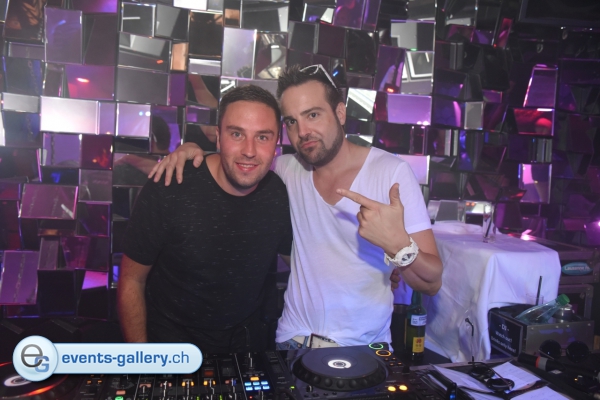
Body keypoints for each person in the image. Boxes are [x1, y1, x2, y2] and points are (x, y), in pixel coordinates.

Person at [149, 65, 443, 349]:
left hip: (363, 346)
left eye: (313, 115)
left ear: (340, 113)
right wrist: (190, 151)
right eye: (291, 121)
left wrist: (398, 246)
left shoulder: (391, 173)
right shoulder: (286, 170)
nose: (303, 131)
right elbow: (241, 157)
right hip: (292, 340)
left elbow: (431, 283)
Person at [117, 85, 293, 353]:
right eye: (237, 134)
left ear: (276, 142)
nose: (249, 150)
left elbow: (304, 267)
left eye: (262, 137)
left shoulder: (278, 194)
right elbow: (131, 280)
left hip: (246, 347)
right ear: (219, 138)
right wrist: (142, 361)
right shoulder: (171, 186)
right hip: (172, 347)